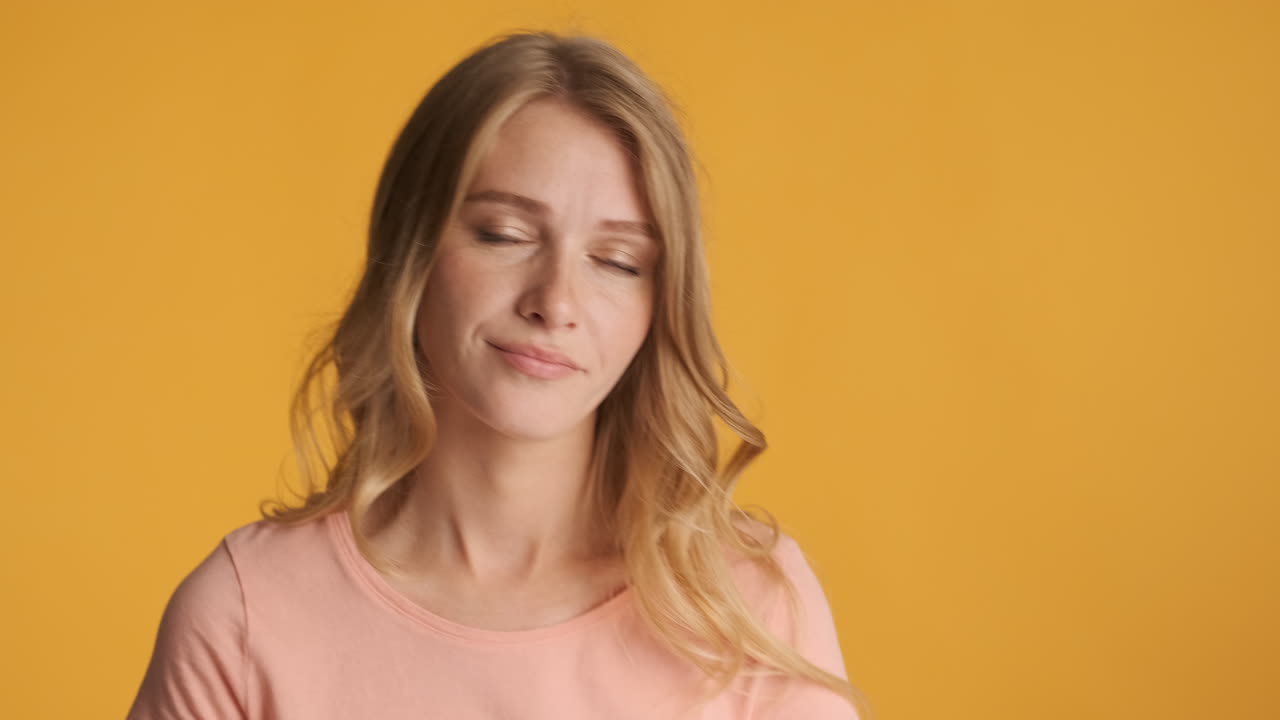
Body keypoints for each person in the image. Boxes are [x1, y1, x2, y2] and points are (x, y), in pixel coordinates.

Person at [127, 30, 866, 719]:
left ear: (658, 304)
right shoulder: (247, 613)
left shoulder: (747, 603)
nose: (556, 302)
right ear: (411, 250)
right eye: (504, 235)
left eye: (616, 262)